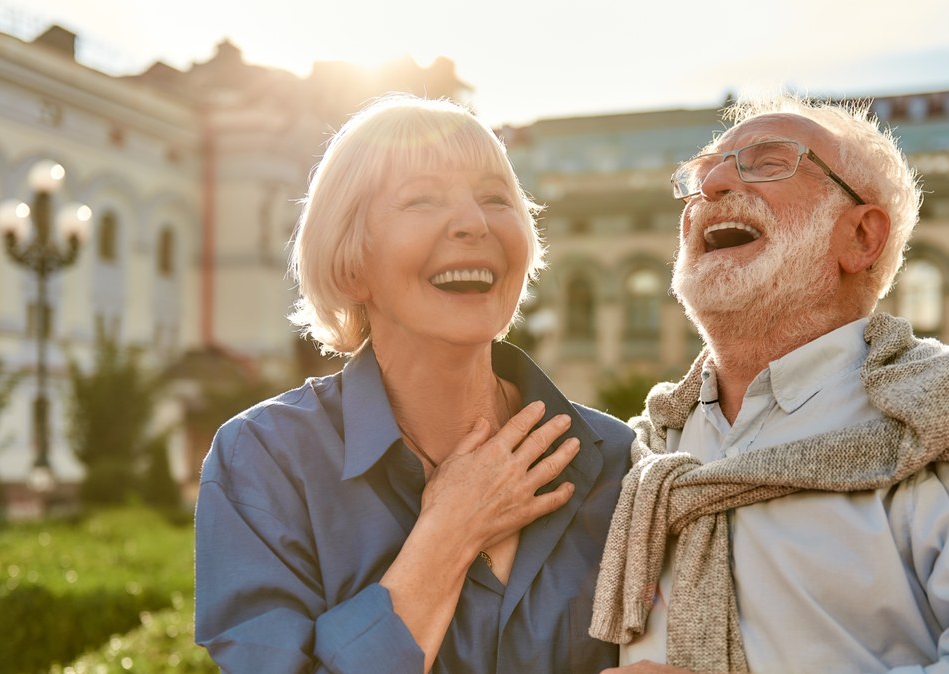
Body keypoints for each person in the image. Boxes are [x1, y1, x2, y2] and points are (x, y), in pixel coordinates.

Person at [590, 95, 949, 673]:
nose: (709, 184)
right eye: (701, 170)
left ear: (861, 237)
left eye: (766, 163)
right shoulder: (645, 447)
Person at [194, 94, 631, 674]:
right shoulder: (264, 460)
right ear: (351, 263)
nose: (474, 222)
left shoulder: (618, 462)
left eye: (495, 198)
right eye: (422, 199)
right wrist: (449, 533)